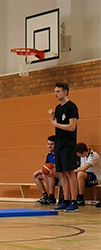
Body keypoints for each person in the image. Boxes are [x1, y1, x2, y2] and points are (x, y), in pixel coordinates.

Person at [48, 82, 79, 212]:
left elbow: (72, 127)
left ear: (65, 92)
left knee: (70, 172)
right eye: (55, 91)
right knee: (62, 173)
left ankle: (74, 201)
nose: (55, 93)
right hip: (59, 145)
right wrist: (52, 117)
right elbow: (58, 123)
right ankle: (65, 200)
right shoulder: (58, 108)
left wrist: (56, 124)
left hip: (68, 145)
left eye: (58, 91)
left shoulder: (71, 107)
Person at [32, 136, 59, 205]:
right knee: (36, 176)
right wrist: (38, 171)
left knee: (48, 174)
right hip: (52, 174)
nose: (49, 146)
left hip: (60, 175)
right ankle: (45, 195)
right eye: (48, 144)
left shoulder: (59, 155)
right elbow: (46, 168)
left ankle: (51, 197)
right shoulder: (49, 156)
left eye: (52, 144)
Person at [75, 142, 101, 207]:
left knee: (80, 174)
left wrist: (73, 171)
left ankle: (80, 197)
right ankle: (71, 197)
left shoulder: (93, 155)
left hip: (97, 176)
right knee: (73, 176)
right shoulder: (83, 157)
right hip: (87, 175)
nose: (77, 155)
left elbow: (84, 168)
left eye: (78, 153)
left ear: (83, 152)